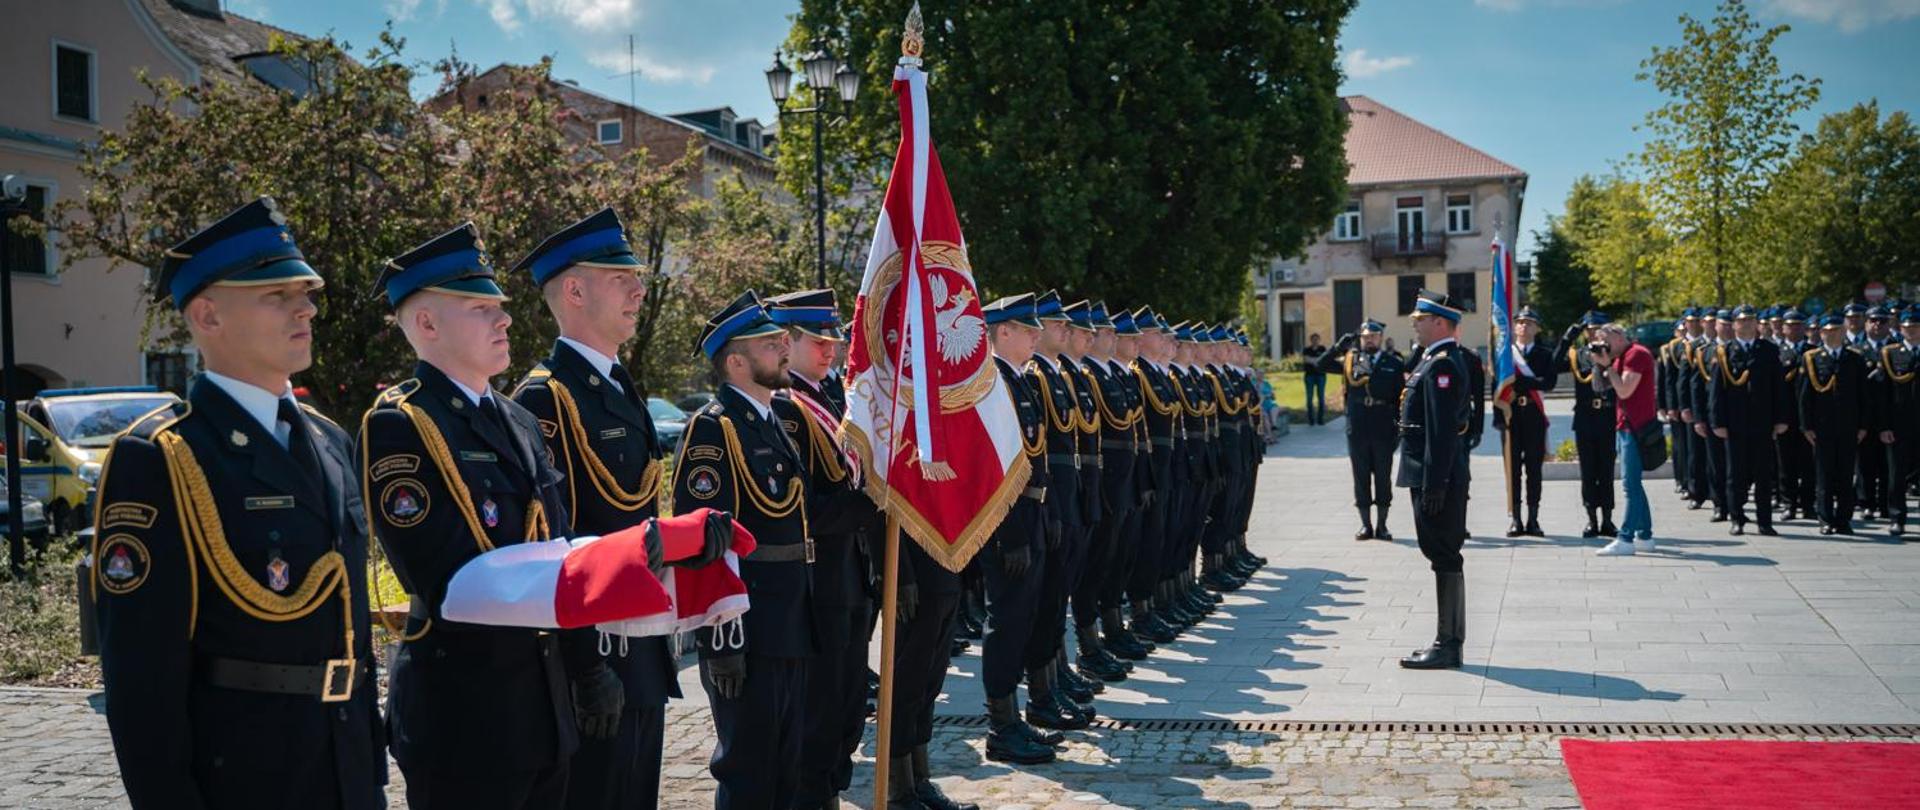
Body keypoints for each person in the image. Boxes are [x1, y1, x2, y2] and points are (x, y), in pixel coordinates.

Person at [92, 198, 386, 809]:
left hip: (345, 770)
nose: (305, 307)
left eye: (304, 293)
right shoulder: (164, 456)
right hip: (247, 776)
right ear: (207, 315)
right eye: (276, 295)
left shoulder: (330, 440)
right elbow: (142, 677)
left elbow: (349, 626)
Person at [363, 223, 620, 809]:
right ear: (426, 325)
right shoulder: (402, 424)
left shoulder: (518, 421)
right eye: (482, 309)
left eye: (500, 307)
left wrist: (586, 666)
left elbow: (556, 549)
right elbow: (445, 577)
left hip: (543, 711)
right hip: (465, 713)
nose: (504, 320)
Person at [508, 207, 677, 810]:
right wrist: (584, 665)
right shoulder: (545, 396)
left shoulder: (618, 386)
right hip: (596, 650)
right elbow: (553, 544)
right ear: (574, 290)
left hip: (640, 645)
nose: (639, 288)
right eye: (620, 276)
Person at [670, 291, 820, 810]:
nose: (784, 348)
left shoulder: (769, 418)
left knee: (785, 764)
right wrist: (722, 639)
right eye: (769, 343)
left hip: (789, 619)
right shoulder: (714, 428)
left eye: (782, 340)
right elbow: (703, 543)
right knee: (749, 768)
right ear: (736, 361)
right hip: (749, 629)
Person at [759, 289, 883, 808]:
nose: (830, 349)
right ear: (787, 342)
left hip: (853, 574)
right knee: (824, 705)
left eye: (833, 339)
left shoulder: (833, 398)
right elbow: (805, 506)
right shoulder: (788, 408)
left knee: (849, 703)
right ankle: (815, 794)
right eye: (818, 340)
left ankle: (831, 785)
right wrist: (870, 504)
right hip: (824, 578)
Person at [976, 293, 1064, 766]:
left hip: (1030, 515)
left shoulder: (1019, 381)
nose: (1036, 336)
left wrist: (1045, 514)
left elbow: (1035, 457)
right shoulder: (992, 385)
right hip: (1007, 522)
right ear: (1002, 332)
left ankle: (1017, 717)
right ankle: (1001, 726)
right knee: (1007, 622)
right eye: (1026, 329)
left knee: (1025, 618)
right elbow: (993, 467)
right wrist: (1009, 533)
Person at [1021, 291, 1094, 729]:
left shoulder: (1059, 375)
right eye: (1059, 326)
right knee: (1046, 597)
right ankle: (1043, 687)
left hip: (1068, 489)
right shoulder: (1037, 377)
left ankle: (1055, 674)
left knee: (1059, 591)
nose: (1066, 332)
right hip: (1048, 496)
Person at [1398, 291, 1475, 670]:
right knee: (1442, 554)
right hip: (1434, 473)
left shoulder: (1443, 365)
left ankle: (1448, 644)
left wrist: (1435, 484)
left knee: (1443, 553)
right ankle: (1447, 641)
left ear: (1440, 323)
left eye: (1421, 318)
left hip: (1436, 476)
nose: (1415, 323)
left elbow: (1442, 432)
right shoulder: (1435, 360)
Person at [1317, 319, 1405, 541]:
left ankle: (1382, 525)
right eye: (1366, 337)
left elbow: (1400, 399)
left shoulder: (1393, 362)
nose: (1370, 340)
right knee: (1361, 477)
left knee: (1383, 478)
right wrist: (1338, 347)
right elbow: (1321, 365)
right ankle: (1365, 525)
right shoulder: (1351, 361)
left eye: (1374, 336)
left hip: (1384, 426)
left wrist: (1399, 429)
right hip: (1358, 427)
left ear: (1381, 338)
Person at [1707, 305, 1789, 536]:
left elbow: (1778, 388)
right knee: (1735, 474)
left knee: (1763, 474)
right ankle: (1737, 519)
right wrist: (1718, 422)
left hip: (1762, 422)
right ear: (1734, 325)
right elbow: (1716, 391)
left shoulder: (1769, 350)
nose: (1746, 325)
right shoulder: (1724, 352)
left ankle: (1765, 521)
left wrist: (1781, 419)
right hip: (1734, 423)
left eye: (1750, 321)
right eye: (1741, 322)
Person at [1799, 314, 1870, 536]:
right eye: (1828, 331)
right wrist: (1806, 426)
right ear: (1821, 333)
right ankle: (1825, 518)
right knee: (1824, 475)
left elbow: (1864, 396)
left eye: (1837, 330)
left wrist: (1863, 426)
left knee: (1846, 474)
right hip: (1822, 427)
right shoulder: (1811, 358)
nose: (1833, 334)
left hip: (1848, 426)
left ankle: (1844, 519)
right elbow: (1804, 396)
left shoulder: (1855, 358)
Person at [1592, 322, 1657, 556]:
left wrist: (1608, 365)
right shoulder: (1620, 357)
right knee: (1634, 483)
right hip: (1625, 425)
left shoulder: (1636, 354)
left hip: (1637, 428)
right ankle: (1645, 535)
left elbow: (1624, 390)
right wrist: (1601, 365)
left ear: (1618, 336)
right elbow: (1600, 387)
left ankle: (1626, 538)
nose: (1604, 345)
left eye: (1605, 340)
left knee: (1630, 484)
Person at [1496, 307, 1557, 537]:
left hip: (1533, 416)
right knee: (1512, 470)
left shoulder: (1544, 353)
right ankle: (1516, 519)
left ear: (1537, 328)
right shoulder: (1505, 354)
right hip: (1511, 416)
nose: (1523, 326)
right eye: (1520, 322)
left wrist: (1528, 383)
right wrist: (1500, 418)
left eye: (1529, 323)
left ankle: (1533, 519)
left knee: (1534, 469)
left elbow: (1548, 382)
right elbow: (1498, 386)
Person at [1560, 312, 1619, 538]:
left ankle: (1607, 519)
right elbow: (1553, 366)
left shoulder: (1613, 354)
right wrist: (1566, 340)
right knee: (1588, 471)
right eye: (1590, 329)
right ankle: (1591, 520)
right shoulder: (1578, 355)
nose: (1594, 333)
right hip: (1585, 419)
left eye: (1599, 328)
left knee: (1606, 470)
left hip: (1607, 417)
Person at [1874, 308, 1920, 538]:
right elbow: (1883, 395)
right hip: (1898, 424)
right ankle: (1897, 517)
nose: (1911, 331)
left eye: (1915, 327)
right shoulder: (1890, 354)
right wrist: (1884, 426)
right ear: (1900, 329)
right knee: (1896, 474)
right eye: (1907, 328)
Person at [1774, 310, 1816, 521]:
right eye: (1790, 325)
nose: (1794, 329)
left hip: (1808, 418)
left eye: (1799, 325)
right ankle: (1789, 503)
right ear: (1783, 328)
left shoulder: (1813, 351)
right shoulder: (1776, 352)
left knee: (1809, 463)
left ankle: (1808, 504)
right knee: (1786, 464)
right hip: (1786, 416)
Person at [1300, 333, 1330, 426]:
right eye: (1313, 339)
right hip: (1309, 376)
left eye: (1317, 339)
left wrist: (1313, 360)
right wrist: (1317, 360)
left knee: (1321, 398)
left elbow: (1324, 359)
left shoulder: (1322, 349)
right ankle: (1311, 420)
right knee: (1309, 398)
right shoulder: (1306, 350)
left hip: (1321, 375)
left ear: (1319, 340)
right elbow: (1306, 360)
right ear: (1311, 340)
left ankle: (1320, 419)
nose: (1315, 341)